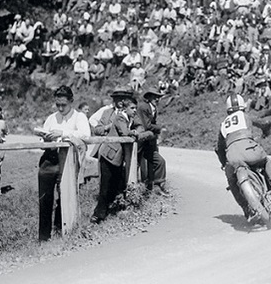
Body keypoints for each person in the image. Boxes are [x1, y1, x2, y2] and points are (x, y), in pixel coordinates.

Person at [215, 94, 271, 221]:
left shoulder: (223, 125)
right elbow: (263, 123)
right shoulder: (245, 117)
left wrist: (224, 163)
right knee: (265, 161)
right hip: (250, 150)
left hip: (233, 157)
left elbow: (219, 148)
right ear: (243, 107)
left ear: (228, 109)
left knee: (232, 182)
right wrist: (268, 129)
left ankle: (246, 208)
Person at [36, 85, 91, 241]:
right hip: (49, 158)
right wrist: (45, 139)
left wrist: (63, 133)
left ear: (71, 101)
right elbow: (41, 142)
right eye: (57, 104)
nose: (60, 108)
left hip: (67, 159)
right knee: (45, 198)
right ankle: (44, 237)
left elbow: (85, 135)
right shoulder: (52, 118)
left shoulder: (79, 117)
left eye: (63, 105)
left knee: (65, 196)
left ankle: (62, 231)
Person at [89, 88, 140, 224]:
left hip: (119, 156)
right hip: (108, 153)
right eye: (118, 99)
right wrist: (108, 128)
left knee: (116, 183)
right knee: (105, 185)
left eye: (123, 99)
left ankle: (111, 208)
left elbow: (139, 126)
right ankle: (99, 214)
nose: (120, 101)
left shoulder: (131, 114)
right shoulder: (109, 113)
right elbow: (98, 129)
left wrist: (135, 131)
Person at [137, 88, 170, 194]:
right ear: (149, 97)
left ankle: (156, 186)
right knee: (134, 163)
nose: (157, 99)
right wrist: (159, 128)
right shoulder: (143, 107)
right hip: (140, 140)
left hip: (149, 141)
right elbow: (147, 125)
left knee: (159, 161)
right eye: (154, 96)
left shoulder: (153, 108)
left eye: (158, 97)